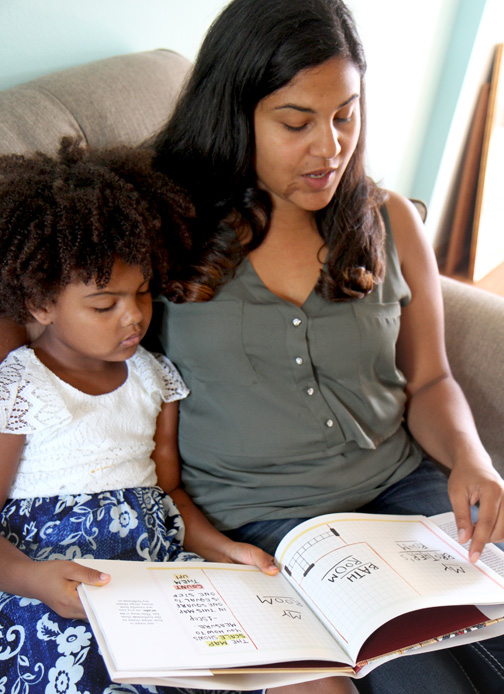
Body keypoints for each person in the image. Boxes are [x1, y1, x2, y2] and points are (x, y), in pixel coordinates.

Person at [150, 0, 504, 692]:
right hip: (271, 529)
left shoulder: (388, 219)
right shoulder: (166, 230)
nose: (331, 147)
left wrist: (471, 458)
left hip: (406, 494)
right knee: (426, 683)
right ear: (234, 113)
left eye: (346, 114)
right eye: (296, 122)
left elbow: (429, 382)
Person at [0, 138, 278, 694]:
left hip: (155, 578)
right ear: (40, 306)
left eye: (144, 292)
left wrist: (225, 549)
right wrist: (31, 578)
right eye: (105, 305)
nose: (133, 317)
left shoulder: (156, 379)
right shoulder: (20, 386)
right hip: (56, 587)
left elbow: (169, 496)